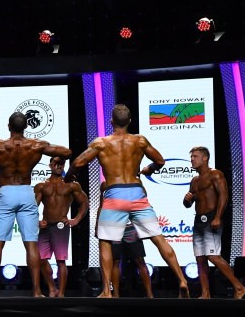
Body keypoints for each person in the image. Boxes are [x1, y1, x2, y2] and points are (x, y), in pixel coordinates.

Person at [64, 103, 189, 298]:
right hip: (137, 192)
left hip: (115, 193)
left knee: (105, 241)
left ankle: (107, 291)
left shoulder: (101, 143)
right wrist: (149, 169)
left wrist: (69, 177)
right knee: (158, 238)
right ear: (130, 121)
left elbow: (78, 162)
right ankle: (181, 279)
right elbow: (160, 161)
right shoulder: (140, 141)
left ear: (111, 121)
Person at [0, 112, 71, 298]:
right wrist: (43, 147)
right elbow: (66, 152)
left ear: (8, 126)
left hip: (6, 193)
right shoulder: (36, 145)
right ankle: (37, 292)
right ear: (26, 127)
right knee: (31, 245)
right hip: (26, 193)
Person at [183, 146, 245, 299]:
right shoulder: (194, 180)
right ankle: (205, 293)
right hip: (198, 220)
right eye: (191, 157)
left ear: (205, 158)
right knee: (200, 258)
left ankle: (239, 287)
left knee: (213, 256)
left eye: (195, 156)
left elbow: (224, 195)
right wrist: (186, 200)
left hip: (212, 217)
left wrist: (218, 216)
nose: (192, 159)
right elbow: (188, 204)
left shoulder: (215, 174)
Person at [33, 156, 87, 297]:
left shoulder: (71, 185)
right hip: (45, 226)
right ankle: (52, 288)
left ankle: (61, 293)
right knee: (40, 259)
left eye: (62, 164)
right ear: (50, 165)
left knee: (60, 261)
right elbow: (32, 207)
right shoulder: (41, 186)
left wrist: (77, 219)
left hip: (61, 226)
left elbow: (84, 203)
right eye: (56, 163)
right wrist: (37, 221)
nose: (59, 166)